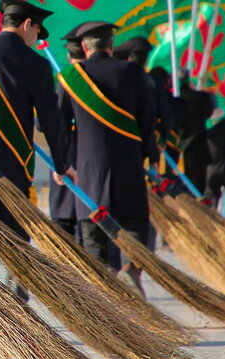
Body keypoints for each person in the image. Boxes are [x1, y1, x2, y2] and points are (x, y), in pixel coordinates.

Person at [0, 0, 73, 300]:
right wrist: (61, 165)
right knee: (15, 233)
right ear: (27, 25)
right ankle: (16, 293)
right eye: (37, 32)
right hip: (13, 163)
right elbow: (51, 121)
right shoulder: (37, 65)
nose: (36, 39)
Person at [55, 24, 156, 291]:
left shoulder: (71, 76)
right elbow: (148, 120)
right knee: (133, 221)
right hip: (129, 164)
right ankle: (130, 269)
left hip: (89, 169)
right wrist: (150, 156)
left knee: (92, 231)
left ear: (85, 48)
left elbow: (57, 126)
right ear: (111, 47)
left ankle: (101, 287)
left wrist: (61, 163)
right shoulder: (133, 72)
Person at [49, 41, 85, 241]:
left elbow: (44, 123)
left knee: (63, 227)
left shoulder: (65, 79)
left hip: (63, 157)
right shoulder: (98, 80)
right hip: (89, 161)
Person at [177, 73, 216, 194]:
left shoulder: (175, 100)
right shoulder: (201, 97)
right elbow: (210, 111)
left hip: (178, 149)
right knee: (198, 187)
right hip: (198, 149)